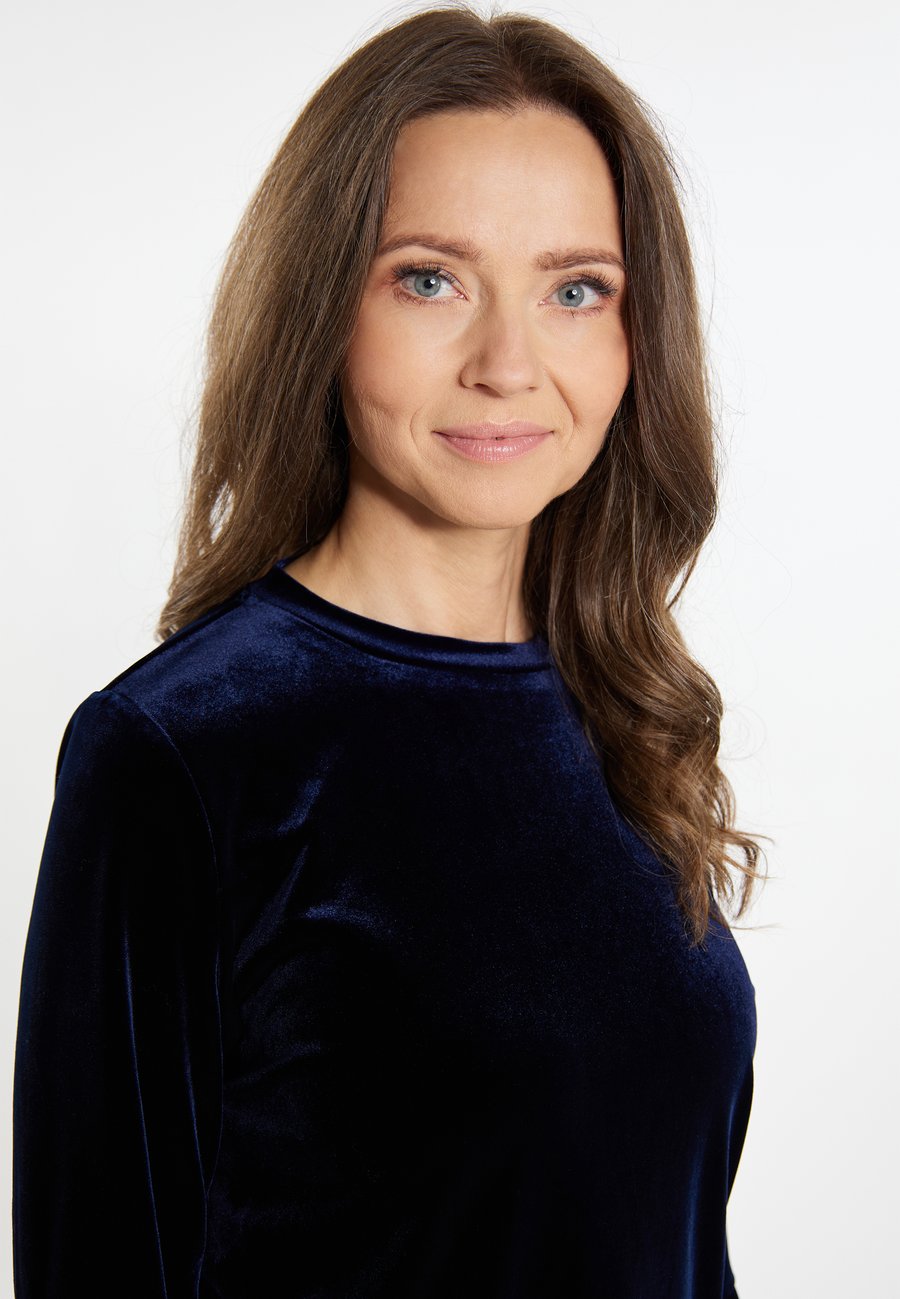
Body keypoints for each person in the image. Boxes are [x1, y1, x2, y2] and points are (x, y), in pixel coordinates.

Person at [12, 6, 769, 1297]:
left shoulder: (614, 703)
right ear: (324, 309)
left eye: (575, 290)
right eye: (430, 279)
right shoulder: (187, 749)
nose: (507, 364)